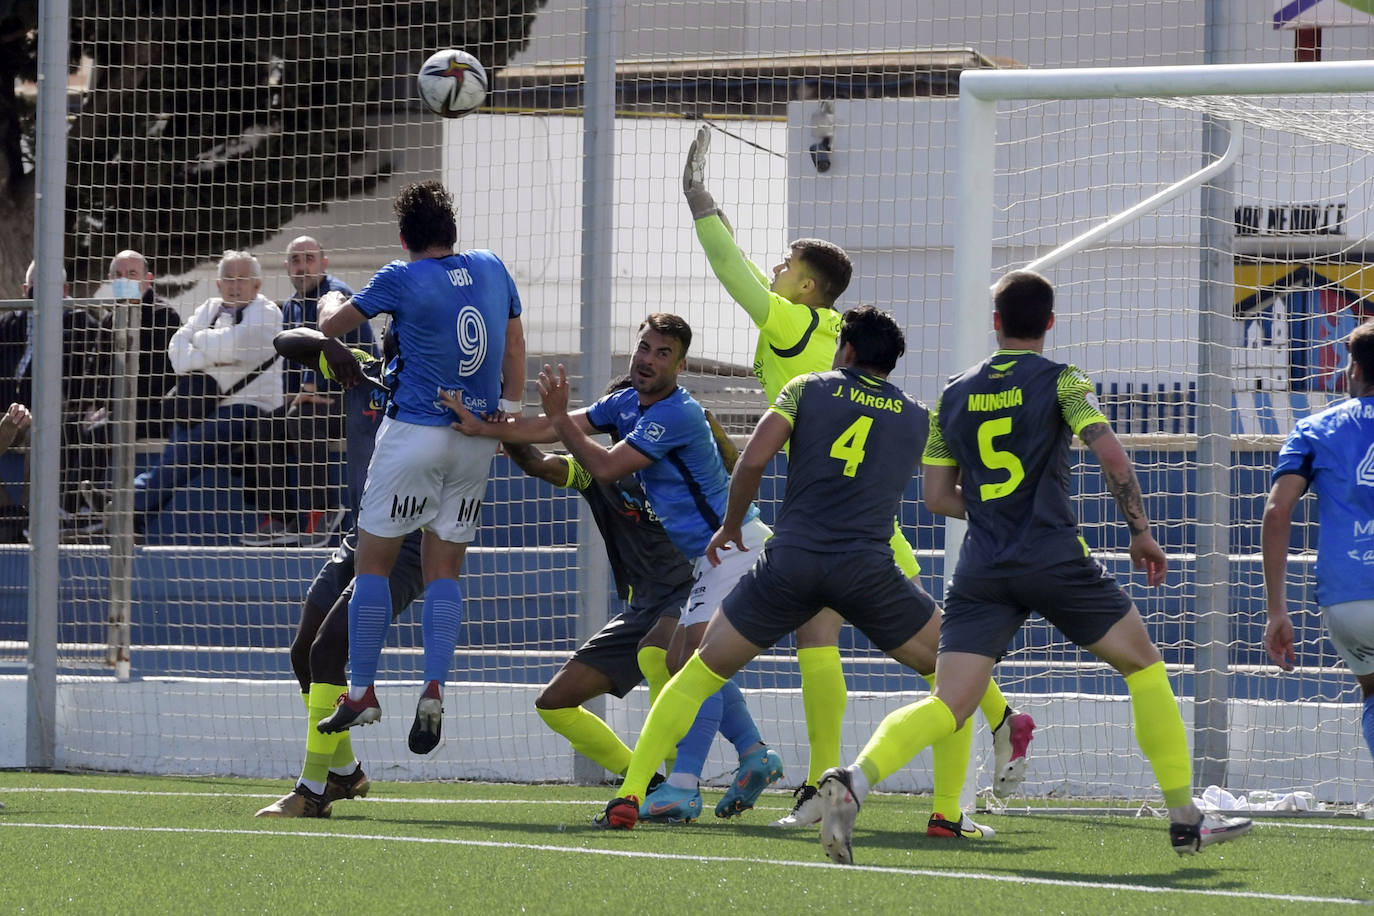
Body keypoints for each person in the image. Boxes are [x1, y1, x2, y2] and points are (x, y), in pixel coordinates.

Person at [812, 270, 1252, 863]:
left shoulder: (952, 392)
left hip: (982, 567)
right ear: (1049, 322)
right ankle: (1184, 818)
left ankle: (855, 782)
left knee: (950, 703)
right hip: (1052, 556)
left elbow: (938, 498)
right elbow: (1110, 451)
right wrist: (1141, 533)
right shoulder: (1064, 381)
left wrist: (993, 507)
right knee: (1143, 665)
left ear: (995, 323)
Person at [682, 125, 1033, 826]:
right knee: (828, 638)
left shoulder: (789, 323)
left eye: (783, 264)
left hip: (841, 524)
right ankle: (878, 781)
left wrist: (697, 197)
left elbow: (731, 269)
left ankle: (987, 726)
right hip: (842, 511)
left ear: (806, 285)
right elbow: (751, 275)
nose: (772, 269)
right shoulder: (825, 327)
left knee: (924, 656)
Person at [595, 306, 994, 841]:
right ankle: (946, 814)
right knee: (955, 678)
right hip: (866, 571)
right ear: (891, 363)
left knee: (696, 674)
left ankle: (631, 792)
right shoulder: (921, 416)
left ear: (846, 350)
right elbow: (947, 493)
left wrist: (730, 526)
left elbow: (753, 460)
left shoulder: (808, 388)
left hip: (791, 563)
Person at [446, 314, 782, 824]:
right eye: (643, 347)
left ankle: (682, 785)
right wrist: (486, 424)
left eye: (662, 352)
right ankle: (729, 762)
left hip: (731, 552)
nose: (647, 358)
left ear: (681, 363)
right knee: (682, 666)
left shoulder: (673, 417)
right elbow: (548, 439)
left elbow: (597, 459)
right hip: (700, 565)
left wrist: (556, 420)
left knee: (681, 663)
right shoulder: (624, 409)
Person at [314, 180, 525, 756]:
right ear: (453, 232)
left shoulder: (400, 277)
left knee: (373, 566)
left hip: (415, 433)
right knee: (444, 573)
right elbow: (513, 345)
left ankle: (361, 690)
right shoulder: (490, 266)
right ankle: (433, 687)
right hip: (475, 437)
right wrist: (507, 417)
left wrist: (327, 304)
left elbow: (331, 328)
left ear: (404, 238)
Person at [510, 375, 748, 791]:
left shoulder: (681, 459)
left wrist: (714, 434)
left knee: (657, 654)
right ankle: (649, 778)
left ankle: (680, 781)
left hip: (693, 587)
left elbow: (734, 472)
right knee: (554, 703)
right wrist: (505, 419)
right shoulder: (595, 470)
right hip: (643, 604)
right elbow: (535, 463)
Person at [256, 326, 425, 817]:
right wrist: (330, 344)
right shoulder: (360, 374)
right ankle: (347, 773)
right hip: (359, 536)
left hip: (407, 546)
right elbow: (285, 343)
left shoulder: (431, 397)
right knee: (304, 653)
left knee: (329, 651)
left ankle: (311, 792)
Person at [1262, 318, 1374, 770]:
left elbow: (1276, 510)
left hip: (1347, 597)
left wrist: (1276, 611)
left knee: (1372, 691)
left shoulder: (1315, 429)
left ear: (1355, 370)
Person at [132, 251, 282, 537]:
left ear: (257, 285)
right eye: (228, 278)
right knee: (180, 446)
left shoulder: (268, 312)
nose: (234, 285)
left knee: (185, 448)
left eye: (242, 279)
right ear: (218, 283)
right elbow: (177, 352)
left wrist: (199, 343)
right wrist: (217, 354)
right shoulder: (209, 307)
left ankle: (129, 503)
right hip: (202, 404)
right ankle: (135, 517)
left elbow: (241, 344)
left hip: (249, 407)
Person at [243, 236, 372, 547]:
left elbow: (342, 347)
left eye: (309, 259)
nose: (302, 267)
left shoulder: (338, 295)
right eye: (296, 260)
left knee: (303, 417)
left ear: (323, 263)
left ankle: (324, 512)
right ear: (287, 267)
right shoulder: (291, 305)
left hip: (358, 397)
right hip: (314, 402)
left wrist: (311, 388)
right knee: (267, 422)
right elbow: (291, 363)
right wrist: (292, 394)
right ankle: (279, 519)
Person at [0, 262, 112, 525]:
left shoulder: (84, 326)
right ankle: (6, 513)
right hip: (7, 414)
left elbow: (88, 383)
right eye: (35, 290)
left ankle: (31, 517)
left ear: (64, 290)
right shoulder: (8, 325)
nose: (41, 297)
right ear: (25, 289)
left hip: (52, 418)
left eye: (50, 290)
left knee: (40, 435)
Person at [107, 249, 182, 440]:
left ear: (147, 279)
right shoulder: (109, 320)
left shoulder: (164, 317)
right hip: (114, 409)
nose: (124, 281)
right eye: (118, 275)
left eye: (132, 274)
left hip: (152, 412)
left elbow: (157, 377)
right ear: (110, 279)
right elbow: (97, 371)